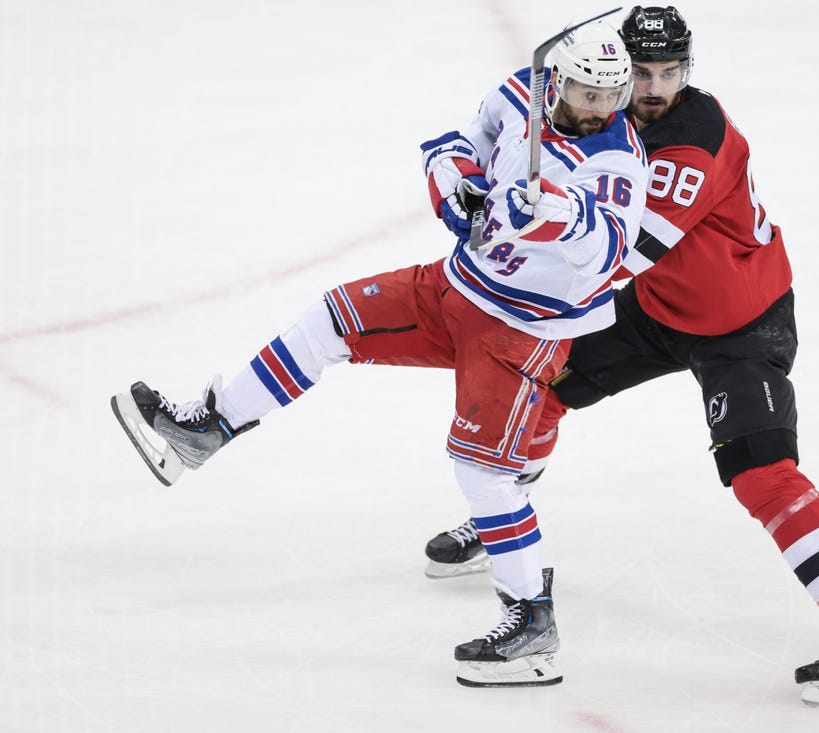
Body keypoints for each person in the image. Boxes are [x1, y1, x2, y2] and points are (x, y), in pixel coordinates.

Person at [110, 18, 647, 689]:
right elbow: (459, 143)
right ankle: (205, 428)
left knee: (481, 470)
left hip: (521, 329)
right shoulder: (521, 92)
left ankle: (531, 619)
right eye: (586, 93)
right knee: (331, 319)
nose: (599, 108)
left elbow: (609, 251)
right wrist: (459, 185)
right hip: (455, 288)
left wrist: (561, 214)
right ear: (557, 82)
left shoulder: (619, 160)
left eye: (611, 95)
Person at [421, 6, 819, 705]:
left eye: (668, 72)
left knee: (760, 472)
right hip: (657, 310)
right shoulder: (608, 117)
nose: (653, 86)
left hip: (741, 321)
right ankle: (501, 516)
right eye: (641, 71)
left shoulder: (693, 140)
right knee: (542, 384)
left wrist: (511, 255)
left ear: (688, 70)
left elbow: (616, 255)